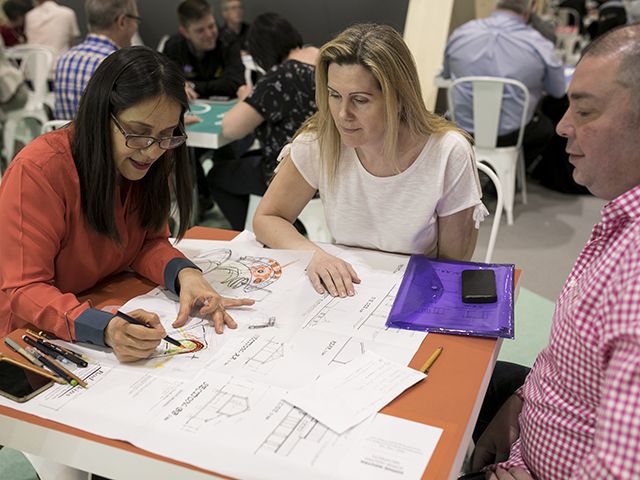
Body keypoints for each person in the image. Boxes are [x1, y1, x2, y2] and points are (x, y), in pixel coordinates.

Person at [0, 46, 254, 365]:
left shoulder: (145, 160)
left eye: (167, 135)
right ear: (100, 117)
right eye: (138, 134)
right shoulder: (39, 171)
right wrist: (104, 328)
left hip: (102, 300)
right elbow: (25, 288)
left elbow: (147, 242)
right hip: (29, 336)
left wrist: (185, 274)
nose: (151, 152)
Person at [468, 24, 640, 480]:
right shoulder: (620, 216)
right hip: (533, 427)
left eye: (583, 111)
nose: (563, 126)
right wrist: (521, 401)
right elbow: (571, 353)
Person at [253, 23, 485, 298]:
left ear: (398, 98)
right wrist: (314, 254)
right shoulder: (320, 141)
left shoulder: (447, 152)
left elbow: (453, 265)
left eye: (360, 100)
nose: (342, 114)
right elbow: (267, 218)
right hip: (348, 289)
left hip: (416, 290)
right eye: (334, 96)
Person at [215, 12, 318, 230]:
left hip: (289, 171)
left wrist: (245, 98)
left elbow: (231, 128)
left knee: (218, 175)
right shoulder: (323, 59)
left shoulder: (280, 76)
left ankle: (248, 234)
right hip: (325, 170)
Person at [443, 0, 565, 168]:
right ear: (530, 10)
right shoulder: (540, 45)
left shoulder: (461, 33)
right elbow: (558, 91)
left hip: (460, 128)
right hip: (511, 134)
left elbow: (446, 75)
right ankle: (506, 176)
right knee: (545, 130)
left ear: (497, 5)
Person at [53, 0, 141, 120]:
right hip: (99, 139)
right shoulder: (120, 66)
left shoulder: (64, 60)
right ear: (122, 22)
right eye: (136, 20)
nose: (136, 26)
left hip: (65, 138)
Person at [163, 0, 244, 99]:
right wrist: (180, 86)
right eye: (200, 30)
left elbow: (235, 82)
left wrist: (192, 85)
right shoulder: (173, 47)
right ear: (185, 32)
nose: (209, 34)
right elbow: (165, 80)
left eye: (211, 26)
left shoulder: (229, 42)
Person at [24, 0, 81, 76]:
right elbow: (73, 42)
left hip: (32, 72)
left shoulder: (29, 16)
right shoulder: (67, 13)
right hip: (58, 71)